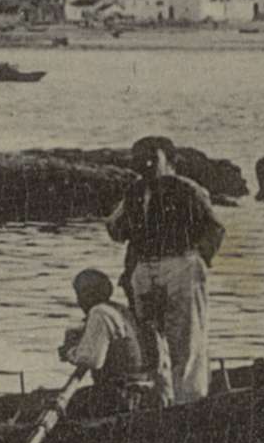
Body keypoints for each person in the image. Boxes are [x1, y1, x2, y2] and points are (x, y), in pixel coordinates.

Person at [107, 134, 225, 405]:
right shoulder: (135, 192)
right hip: (145, 269)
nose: (145, 164)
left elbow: (215, 228)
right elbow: (115, 228)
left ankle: (190, 401)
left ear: (171, 162)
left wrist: (196, 261)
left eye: (152, 157)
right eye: (139, 158)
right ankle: (163, 400)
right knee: (150, 340)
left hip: (180, 264)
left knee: (186, 338)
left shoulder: (188, 189)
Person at [59, 268, 148, 420]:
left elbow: (91, 360)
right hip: (137, 391)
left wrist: (69, 352)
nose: (78, 302)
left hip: (119, 395)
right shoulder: (120, 310)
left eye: (79, 295)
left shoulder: (99, 313)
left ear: (88, 295)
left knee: (66, 407)